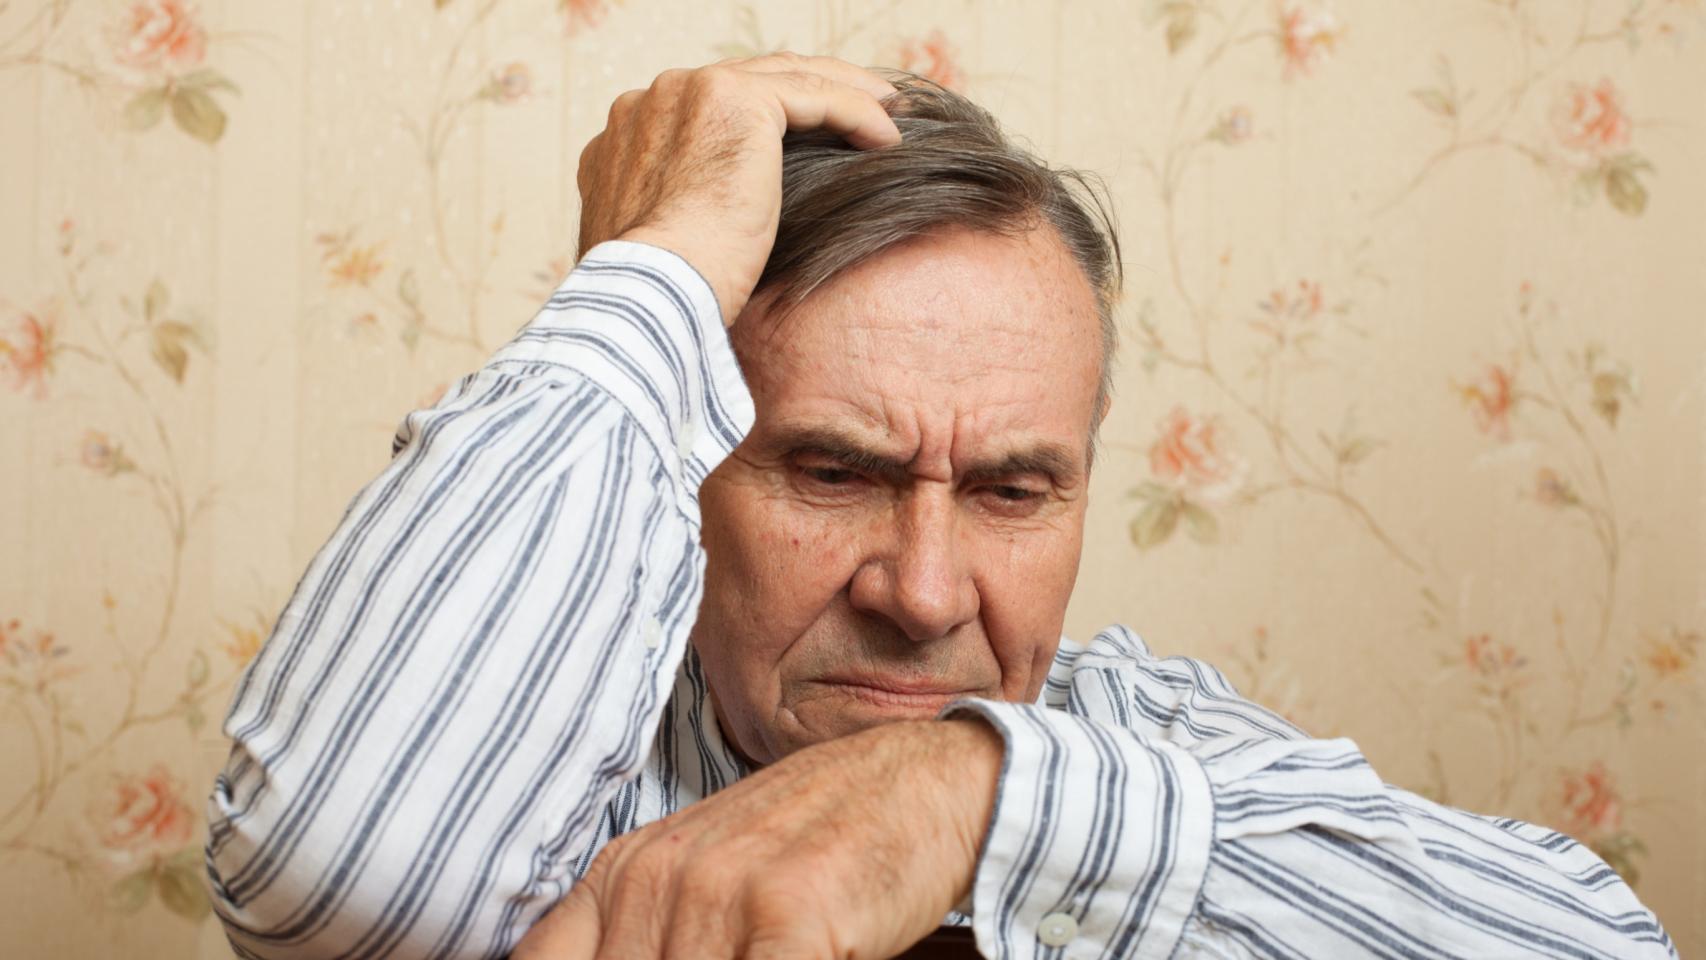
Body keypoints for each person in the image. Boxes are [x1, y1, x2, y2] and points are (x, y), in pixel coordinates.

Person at [204, 55, 1674, 960]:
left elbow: (1604, 944)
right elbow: (345, 884)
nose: (921, 593)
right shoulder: (541, 780)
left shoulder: (1150, 747)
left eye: (1012, 490)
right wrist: (655, 276)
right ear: (689, 472)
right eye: (830, 471)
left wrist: (973, 797)